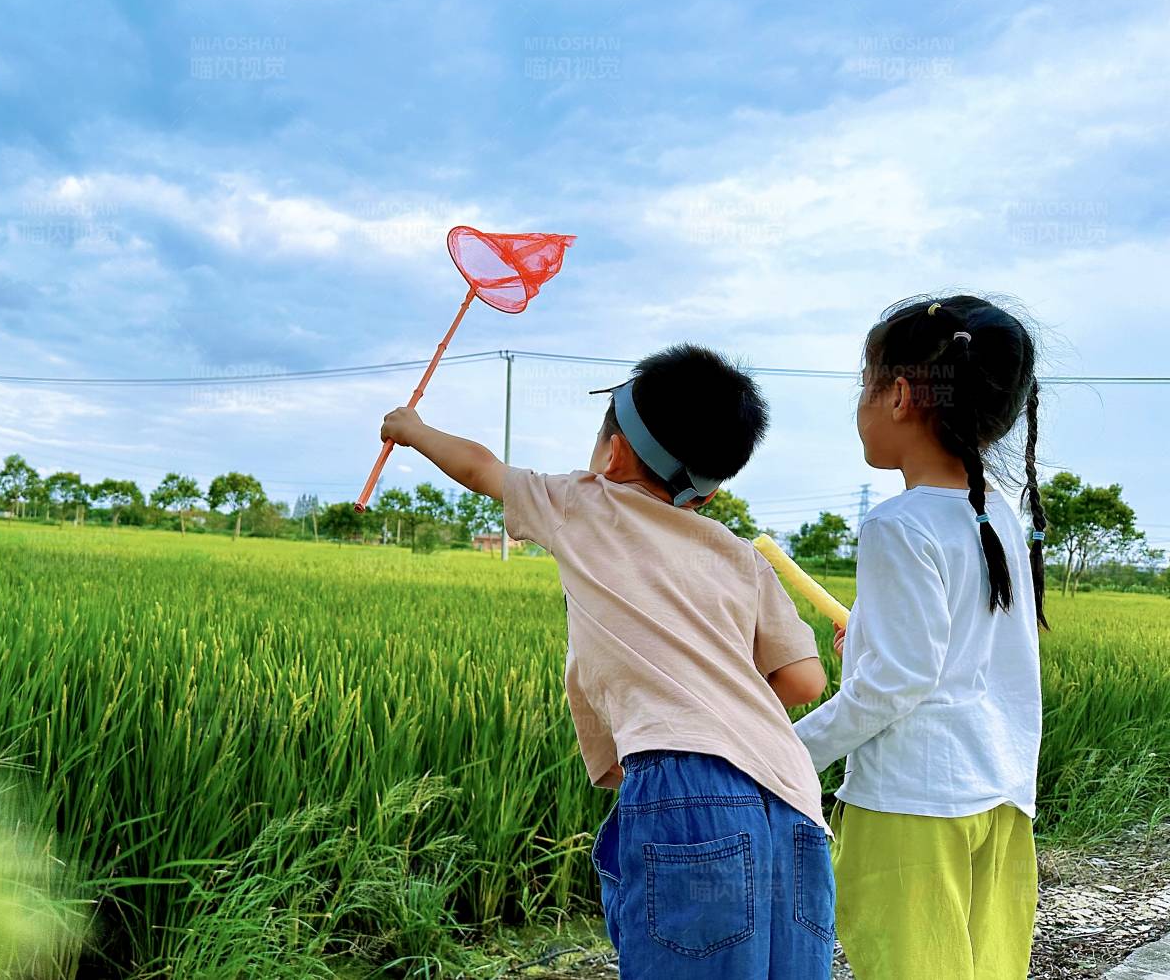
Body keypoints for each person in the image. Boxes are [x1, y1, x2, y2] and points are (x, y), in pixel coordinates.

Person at [379, 343, 834, 979]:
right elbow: (804, 680)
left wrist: (413, 430)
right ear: (709, 486)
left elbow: (482, 469)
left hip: (687, 789)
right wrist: (717, 692)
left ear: (613, 453)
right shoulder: (739, 554)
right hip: (792, 799)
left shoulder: (583, 503)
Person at [794, 295, 1045, 979]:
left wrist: (788, 752)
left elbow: (900, 681)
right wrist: (874, 641)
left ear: (900, 396)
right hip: (998, 795)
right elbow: (965, 650)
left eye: (865, 383)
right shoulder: (1001, 513)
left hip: (912, 805)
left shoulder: (897, 523)